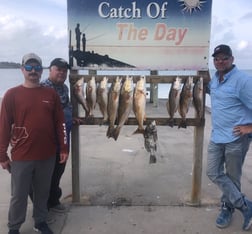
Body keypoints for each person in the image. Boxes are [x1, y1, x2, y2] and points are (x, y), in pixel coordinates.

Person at [0, 53, 68, 234]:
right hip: (22, 156)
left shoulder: (51, 94)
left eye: (37, 67)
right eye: (29, 67)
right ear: (22, 70)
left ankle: (40, 221)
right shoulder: (11, 94)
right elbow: (4, 126)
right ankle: (14, 227)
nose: (33, 71)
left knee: (42, 193)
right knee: (19, 196)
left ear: (41, 70)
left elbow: (60, 123)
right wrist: (2, 155)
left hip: (47, 155)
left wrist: (64, 148)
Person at [207, 44, 252, 231]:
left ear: (232, 59)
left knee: (232, 177)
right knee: (213, 172)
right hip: (217, 135)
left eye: (224, 58)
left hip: (236, 138)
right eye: (216, 59)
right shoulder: (215, 79)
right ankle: (246, 206)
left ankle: (228, 208)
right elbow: (215, 94)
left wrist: (249, 127)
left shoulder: (243, 81)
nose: (220, 61)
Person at [40, 58, 72, 213]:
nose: (62, 73)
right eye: (58, 69)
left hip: (64, 138)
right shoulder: (42, 89)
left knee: (58, 171)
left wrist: (72, 118)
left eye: (64, 70)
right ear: (50, 70)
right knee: (47, 173)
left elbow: (65, 108)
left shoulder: (64, 88)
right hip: (49, 140)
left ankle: (53, 201)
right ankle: (43, 206)